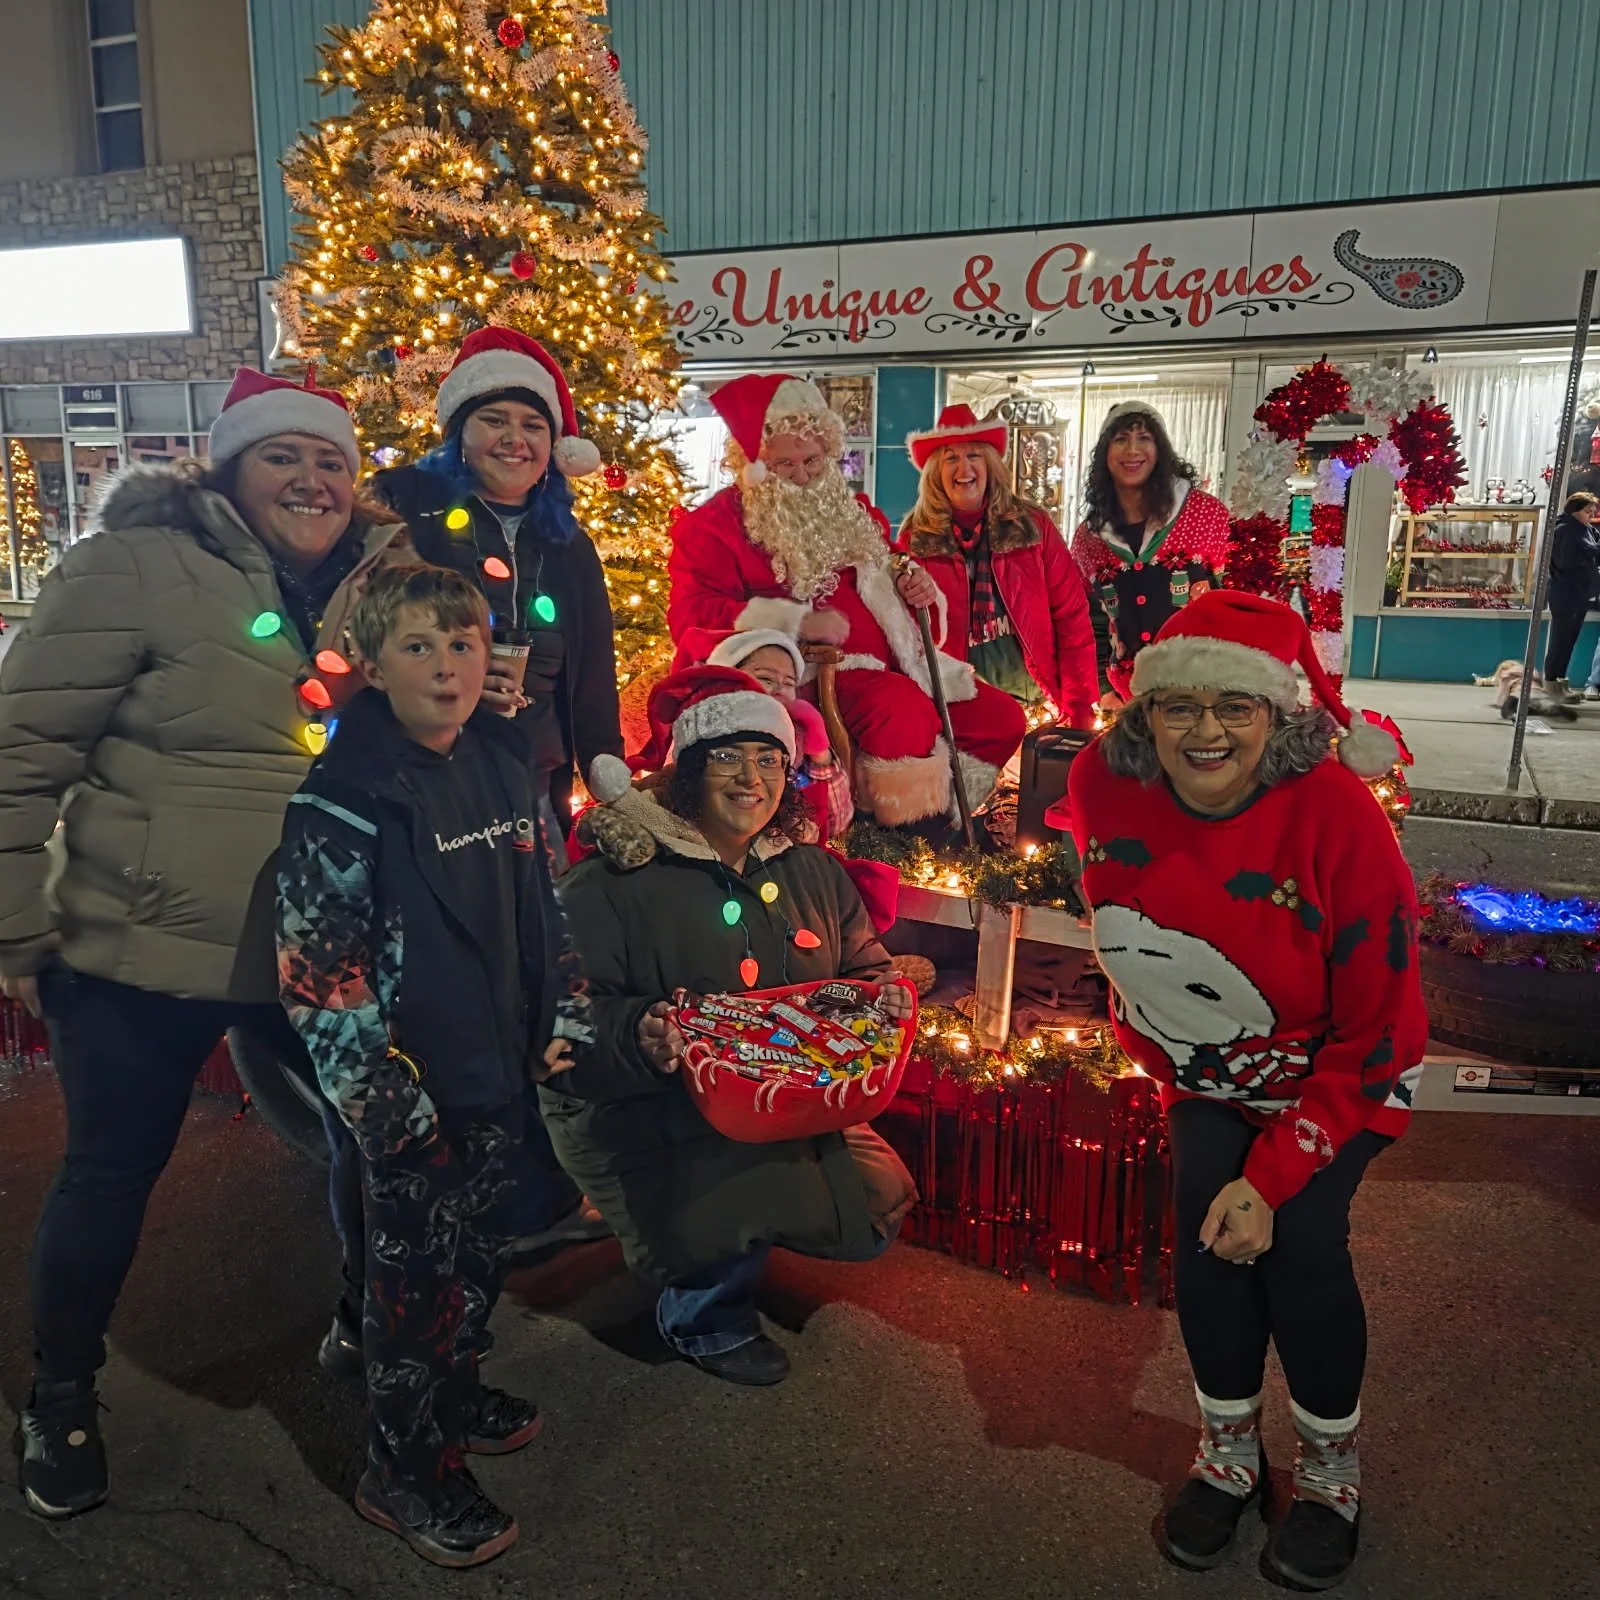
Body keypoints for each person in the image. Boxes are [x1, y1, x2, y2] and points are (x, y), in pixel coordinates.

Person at [0, 368, 412, 1520]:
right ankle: (63, 1391)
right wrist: (14, 923)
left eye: (331, 460)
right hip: (143, 945)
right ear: (224, 465)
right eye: (283, 455)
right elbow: (22, 749)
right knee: (110, 1173)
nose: (313, 479)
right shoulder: (129, 564)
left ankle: (365, 1321)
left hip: (320, 940)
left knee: (369, 1143)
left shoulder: (379, 585)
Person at [1064, 590, 1426, 1592]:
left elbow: (1376, 1030)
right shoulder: (1102, 779)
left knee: (1298, 1238)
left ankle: (1327, 1476)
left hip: (1340, 1068)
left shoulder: (1337, 817)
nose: (1205, 729)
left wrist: (1273, 1175)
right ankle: (1227, 1453)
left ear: (1281, 715)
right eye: (1179, 705)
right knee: (1204, 1228)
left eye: (1237, 704)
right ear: (1146, 714)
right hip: (1207, 1071)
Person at [276, 563, 595, 1569]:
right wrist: (387, 1105)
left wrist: (568, 1017)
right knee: (411, 1291)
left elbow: (549, 900)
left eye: (461, 643)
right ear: (371, 665)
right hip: (415, 1099)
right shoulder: (345, 798)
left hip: (502, 1072)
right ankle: (404, 1465)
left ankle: (456, 1393)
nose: (447, 665)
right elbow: (321, 976)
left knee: (477, 1262)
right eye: (418, 646)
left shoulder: (501, 761)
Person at [543, 668, 919, 1386]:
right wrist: (638, 1037)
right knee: (723, 1211)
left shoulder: (811, 869)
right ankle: (699, 1311)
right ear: (687, 768)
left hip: (775, 1091)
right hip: (646, 1102)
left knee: (874, 1205)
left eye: (769, 758)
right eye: (728, 757)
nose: (753, 777)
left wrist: (882, 994)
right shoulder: (609, 883)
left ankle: (739, 1237)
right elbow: (557, 1019)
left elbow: (863, 966)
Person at [667, 374, 1026, 829]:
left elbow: (890, 561)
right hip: (807, 675)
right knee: (900, 710)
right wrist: (795, 623)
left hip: (901, 661)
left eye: (812, 462)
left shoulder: (850, 508)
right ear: (753, 463)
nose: (801, 477)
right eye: (784, 466)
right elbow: (690, 616)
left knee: (1002, 717)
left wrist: (911, 581)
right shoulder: (713, 527)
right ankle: (908, 837)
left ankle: (949, 815)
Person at [373, 326, 622, 824]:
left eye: (533, 425)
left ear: (553, 444)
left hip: (533, 793)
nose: (515, 440)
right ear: (459, 433)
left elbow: (594, 670)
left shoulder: (569, 546)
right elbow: (370, 642)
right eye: (494, 420)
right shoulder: (408, 518)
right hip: (422, 789)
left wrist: (603, 762)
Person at [898, 404, 1099, 728]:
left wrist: (1078, 705)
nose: (964, 468)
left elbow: (1071, 617)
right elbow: (906, 637)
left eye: (974, 456)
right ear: (936, 471)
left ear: (990, 464)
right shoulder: (916, 539)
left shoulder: (1034, 527)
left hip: (1038, 707)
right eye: (951, 458)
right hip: (958, 714)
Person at [1069, 403, 1231, 706]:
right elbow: (1088, 621)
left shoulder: (1206, 514)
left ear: (1160, 450)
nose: (1132, 450)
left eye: (1144, 438)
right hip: (1128, 698)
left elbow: (1235, 601)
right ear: (1105, 454)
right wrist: (1104, 688)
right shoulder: (1088, 538)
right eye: (1120, 439)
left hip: (1204, 690)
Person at [678, 625, 855, 840]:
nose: (779, 689)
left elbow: (837, 821)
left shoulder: (795, 736)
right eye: (766, 679)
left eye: (789, 683)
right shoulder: (706, 729)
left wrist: (820, 755)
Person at [1541, 491, 1599, 700]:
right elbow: (1566, 563)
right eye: (1587, 511)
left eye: (1593, 511)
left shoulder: (1587, 530)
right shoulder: (1565, 530)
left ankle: (1560, 681)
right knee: (1560, 640)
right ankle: (1551, 683)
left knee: (1569, 640)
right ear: (1574, 510)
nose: (1591, 515)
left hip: (1580, 593)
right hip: (1566, 592)